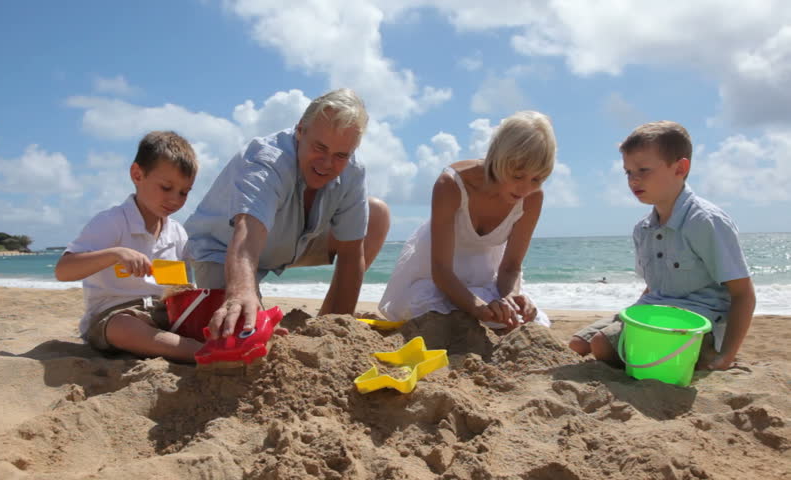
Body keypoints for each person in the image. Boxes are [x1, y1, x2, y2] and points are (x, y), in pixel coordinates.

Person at [184, 88, 390, 339]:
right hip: (223, 248)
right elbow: (247, 233)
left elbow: (351, 255)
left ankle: (327, 318)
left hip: (293, 241)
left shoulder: (353, 171)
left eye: (340, 155)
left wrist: (338, 328)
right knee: (241, 329)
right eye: (319, 147)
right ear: (300, 131)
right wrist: (240, 292)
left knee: (377, 214)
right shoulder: (267, 160)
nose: (326, 164)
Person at [568, 121, 756, 371]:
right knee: (578, 344)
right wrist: (632, 317)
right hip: (653, 313)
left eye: (643, 170)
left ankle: (705, 355)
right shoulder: (643, 229)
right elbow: (654, 287)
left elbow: (743, 294)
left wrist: (727, 356)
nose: (633, 180)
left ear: (680, 168)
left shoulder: (705, 222)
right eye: (628, 172)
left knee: (602, 345)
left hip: (695, 322)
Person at [379, 111, 556, 331]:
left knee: (527, 321)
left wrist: (510, 298)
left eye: (537, 179)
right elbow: (441, 270)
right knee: (436, 314)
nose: (525, 188)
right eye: (517, 176)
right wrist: (479, 309)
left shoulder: (532, 197)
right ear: (498, 159)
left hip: (484, 275)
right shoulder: (451, 185)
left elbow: (510, 267)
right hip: (436, 276)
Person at [55, 131, 201, 363]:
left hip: (163, 314)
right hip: (115, 315)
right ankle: (195, 351)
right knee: (123, 328)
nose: (175, 199)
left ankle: (212, 343)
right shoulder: (111, 221)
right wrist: (115, 254)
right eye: (166, 187)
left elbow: (180, 285)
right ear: (137, 174)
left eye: (184, 192)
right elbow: (63, 271)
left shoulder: (177, 232)